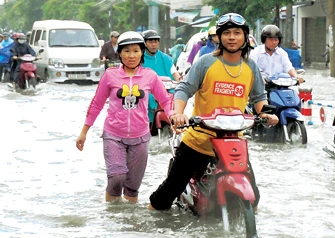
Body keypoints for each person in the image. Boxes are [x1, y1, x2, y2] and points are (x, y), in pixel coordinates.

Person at [149, 13, 279, 211]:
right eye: (226, 33)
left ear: (245, 36)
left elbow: (259, 98)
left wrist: (266, 114)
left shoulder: (251, 66)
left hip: (233, 141)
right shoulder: (205, 62)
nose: (232, 37)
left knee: (255, 201)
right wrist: (178, 113)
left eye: (237, 32)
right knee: (166, 196)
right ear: (219, 37)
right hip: (199, 139)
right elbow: (184, 89)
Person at [75, 31, 173, 203]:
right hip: (114, 135)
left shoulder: (150, 76)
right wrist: (84, 132)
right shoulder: (110, 75)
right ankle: (112, 220)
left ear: (142, 52)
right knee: (116, 179)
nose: (131, 55)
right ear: (119, 53)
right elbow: (96, 104)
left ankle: (128, 224)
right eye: (126, 51)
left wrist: (173, 118)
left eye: (136, 50)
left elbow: (165, 100)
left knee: (133, 188)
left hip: (141, 137)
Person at [142, 29, 180, 123]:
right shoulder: (139, 59)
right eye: (150, 42)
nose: (154, 44)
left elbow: (175, 74)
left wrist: (182, 83)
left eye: (156, 41)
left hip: (167, 90)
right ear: (145, 43)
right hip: (148, 91)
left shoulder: (166, 58)